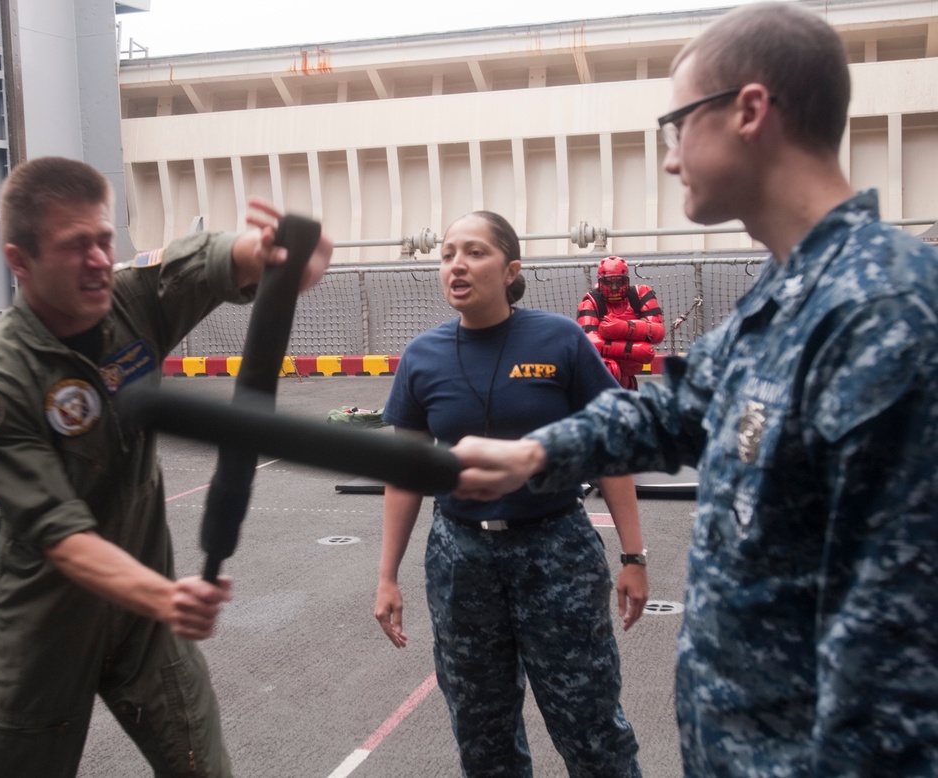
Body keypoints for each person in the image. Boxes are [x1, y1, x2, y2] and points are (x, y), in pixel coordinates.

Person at [451, 4, 938, 776]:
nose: (671, 158)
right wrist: (534, 452)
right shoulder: (785, 295)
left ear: (749, 111)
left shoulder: (882, 315)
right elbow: (672, 409)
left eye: (678, 125)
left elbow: (894, 663)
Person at [0, 156, 332, 777]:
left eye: (104, 239)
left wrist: (278, 254)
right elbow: (62, 536)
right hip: (46, 626)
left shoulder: (132, 301)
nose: (101, 260)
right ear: (19, 260)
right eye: (77, 247)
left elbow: (207, 258)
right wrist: (166, 595)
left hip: (145, 620)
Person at [374, 210, 646, 777]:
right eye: (448, 253)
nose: (457, 265)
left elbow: (610, 446)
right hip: (460, 560)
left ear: (511, 269)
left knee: (590, 724)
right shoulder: (422, 357)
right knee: (482, 734)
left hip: (556, 551)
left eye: (474, 252)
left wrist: (633, 556)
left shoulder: (561, 340)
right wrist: (386, 575)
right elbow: (405, 472)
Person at [576, 256, 665, 389]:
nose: (614, 288)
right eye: (609, 283)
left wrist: (623, 328)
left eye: (619, 282)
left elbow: (658, 332)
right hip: (604, 366)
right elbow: (589, 341)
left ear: (626, 280)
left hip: (630, 369)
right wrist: (633, 348)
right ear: (601, 282)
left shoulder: (640, 295)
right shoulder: (590, 303)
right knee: (609, 368)